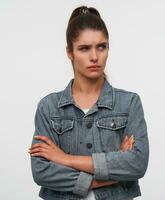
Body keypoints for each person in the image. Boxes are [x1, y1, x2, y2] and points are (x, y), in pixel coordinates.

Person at [28, 5, 149, 200]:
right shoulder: (48, 108)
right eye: (84, 48)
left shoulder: (129, 103)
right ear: (70, 52)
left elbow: (137, 163)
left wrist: (64, 159)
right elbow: (42, 172)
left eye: (101, 46)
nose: (94, 57)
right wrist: (110, 174)